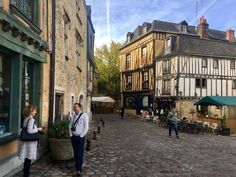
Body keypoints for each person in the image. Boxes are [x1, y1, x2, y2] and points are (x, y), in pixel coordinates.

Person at [18, 105, 43, 177]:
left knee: (27, 160)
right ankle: (26, 175)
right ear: (31, 111)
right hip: (30, 143)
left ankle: (25, 174)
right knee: (28, 161)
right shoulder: (31, 119)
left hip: (26, 142)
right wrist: (38, 129)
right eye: (35, 110)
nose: (36, 112)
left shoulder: (26, 118)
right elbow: (29, 131)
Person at [69, 103, 89, 176]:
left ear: (79, 108)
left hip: (80, 137)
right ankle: (77, 165)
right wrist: (71, 135)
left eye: (76, 107)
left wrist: (81, 136)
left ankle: (79, 169)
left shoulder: (84, 116)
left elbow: (86, 127)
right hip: (73, 137)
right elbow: (70, 125)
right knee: (75, 152)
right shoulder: (73, 116)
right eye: (74, 107)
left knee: (79, 153)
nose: (74, 108)